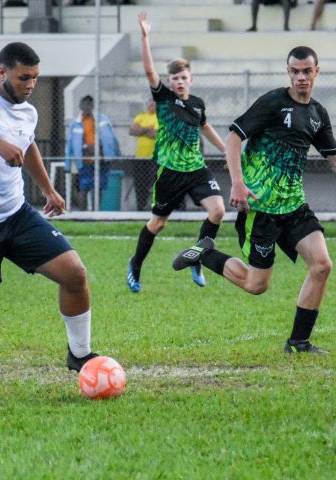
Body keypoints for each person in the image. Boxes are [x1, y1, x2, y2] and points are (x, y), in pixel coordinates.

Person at [173, 46, 336, 354]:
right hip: (262, 210)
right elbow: (233, 137)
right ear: (288, 73)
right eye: (294, 71)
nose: (300, 77)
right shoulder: (272, 103)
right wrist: (238, 183)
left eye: (306, 71)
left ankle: (298, 342)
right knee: (257, 285)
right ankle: (205, 253)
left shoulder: (317, 114)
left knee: (322, 265)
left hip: (294, 207)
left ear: (316, 72)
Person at [0, 42, 98, 396]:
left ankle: (80, 355)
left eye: (36, 78)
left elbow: (28, 147)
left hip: (14, 214)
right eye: (24, 77)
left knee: (75, 273)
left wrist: (48, 190)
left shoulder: (27, 111)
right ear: (2, 72)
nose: (30, 85)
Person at [127, 12, 226, 293]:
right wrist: (145, 38)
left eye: (183, 77)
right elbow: (149, 72)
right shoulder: (165, 100)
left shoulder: (197, 104)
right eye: (175, 78)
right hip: (170, 171)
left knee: (217, 211)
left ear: (191, 79)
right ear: (170, 82)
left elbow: (206, 128)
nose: (179, 82)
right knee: (157, 224)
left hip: (196, 169)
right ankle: (135, 266)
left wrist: (229, 154)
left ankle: (197, 256)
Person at [65, 95, 121, 210]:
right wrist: (68, 163)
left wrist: (112, 153)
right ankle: (82, 213)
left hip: (101, 158)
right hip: (85, 159)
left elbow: (111, 138)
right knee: (84, 186)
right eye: (84, 104)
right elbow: (71, 144)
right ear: (80, 106)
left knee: (99, 187)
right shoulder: (76, 123)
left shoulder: (102, 119)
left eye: (89, 104)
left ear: (92, 105)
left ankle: (96, 212)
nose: (86, 107)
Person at [129, 98, 158, 210]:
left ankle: (157, 206)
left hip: (156, 157)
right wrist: (147, 129)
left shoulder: (160, 117)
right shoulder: (141, 116)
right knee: (140, 183)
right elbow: (132, 131)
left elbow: (155, 134)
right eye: (150, 101)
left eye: (154, 102)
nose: (152, 103)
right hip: (140, 157)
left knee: (157, 182)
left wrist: (141, 130)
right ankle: (140, 206)